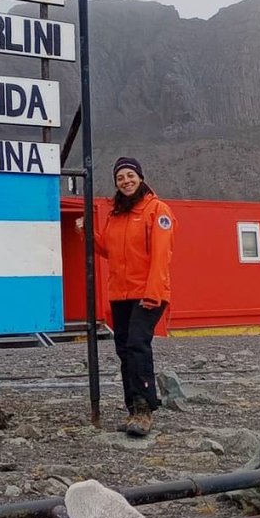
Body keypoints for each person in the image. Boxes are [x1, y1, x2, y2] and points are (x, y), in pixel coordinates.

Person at [78, 158, 176, 437]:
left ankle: (145, 409)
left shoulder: (158, 210)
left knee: (137, 345)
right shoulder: (117, 214)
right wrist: (88, 233)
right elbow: (109, 250)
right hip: (120, 293)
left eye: (130, 175)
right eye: (120, 177)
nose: (125, 181)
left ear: (140, 177)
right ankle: (133, 409)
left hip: (147, 292)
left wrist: (154, 293)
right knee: (124, 350)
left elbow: (160, 255)